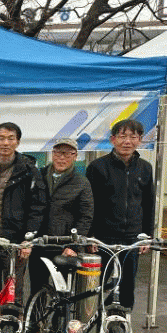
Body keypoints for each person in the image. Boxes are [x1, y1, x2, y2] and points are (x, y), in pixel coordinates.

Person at [0, 122, 46, 303]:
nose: (5, 143)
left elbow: (37, 207)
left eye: (11, 139)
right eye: (1, 138)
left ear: (18, 142)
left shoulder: (29, 171)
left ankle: (12, 322)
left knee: (12, 292)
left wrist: (28, 239)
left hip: (13, 242)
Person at [86, 119, 154, 311]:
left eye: (133, 137)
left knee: (127, 287)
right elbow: (89, 205)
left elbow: (148, 204)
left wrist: (147, 236)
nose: (127, 141)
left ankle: (123, 324)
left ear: (140, 140)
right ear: (113, 139)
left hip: (132, 238)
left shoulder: (145, 168)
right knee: (95, 286)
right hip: (102, 238)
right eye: (123, 136)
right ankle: (91, 322)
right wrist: (90, 235)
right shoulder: (97, 167)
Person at [30, 138, 94, 294]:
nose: (62, 158)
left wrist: (73, 246)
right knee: (37, 290)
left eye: (67, 154)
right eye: (58, 153)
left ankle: (61, 311)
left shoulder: (81, 182)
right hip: (39, 244)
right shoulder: (39, 175)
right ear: (52, 154)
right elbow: (29, 207)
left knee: (63, 293)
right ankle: (37, 311)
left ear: (75, 156)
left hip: (64, 246)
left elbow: (85, 216)